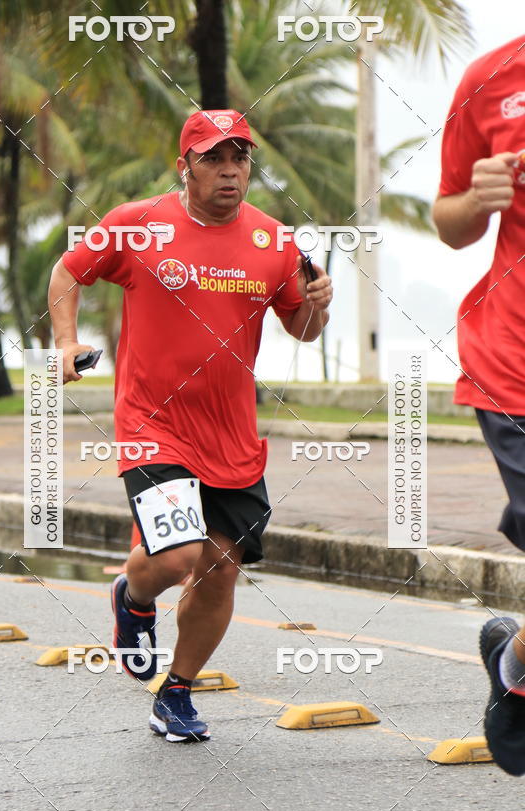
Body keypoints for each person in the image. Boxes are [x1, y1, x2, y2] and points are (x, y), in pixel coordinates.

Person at [48, 109, 333, 742]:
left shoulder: (275, 243)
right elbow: (68, 271)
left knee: (221, 568)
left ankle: (175, 693)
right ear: (186, 167)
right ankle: (134, 596)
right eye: (213, 158)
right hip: (153, 423)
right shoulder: (138, 225)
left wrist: (319, 308)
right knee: (178, 554)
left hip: (231, 435)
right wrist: (64, 343)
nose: (230, 170)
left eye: (240, 158)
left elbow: (303, 329)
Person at [433, 35, 525, 775]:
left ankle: (512, 661)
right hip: (513, 366)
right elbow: (450, 220)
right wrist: (478, 197)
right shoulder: (490, 78)